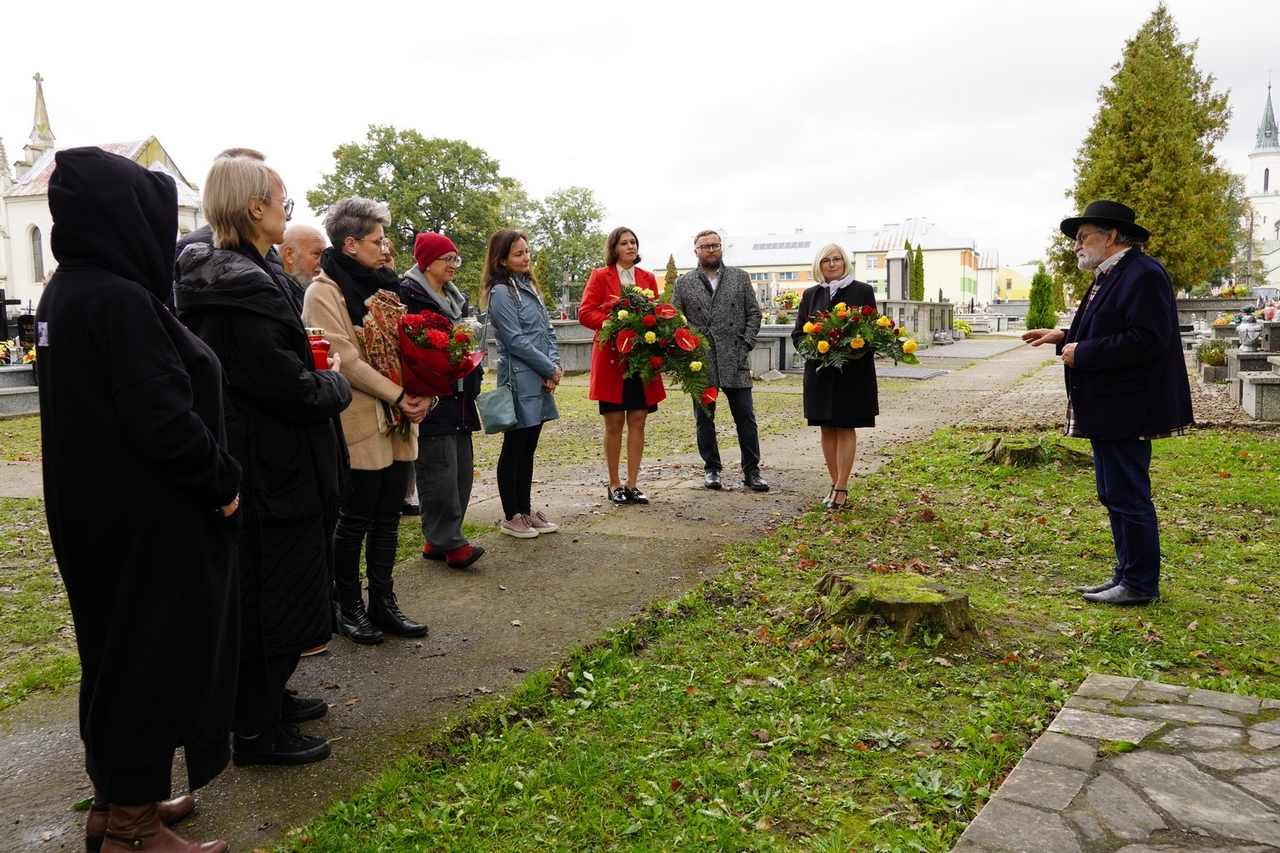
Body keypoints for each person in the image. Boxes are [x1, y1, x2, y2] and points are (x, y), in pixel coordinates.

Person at [38, 147, 239, 852]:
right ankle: (133, 826)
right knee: (149, 658)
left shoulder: (68, 289)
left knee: (114, 653)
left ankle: (118, 797)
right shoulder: (120, 300)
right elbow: (161, 417)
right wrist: (224, 482)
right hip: (145, 516)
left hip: (94, 509)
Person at [176, 156, 352, 767]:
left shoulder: (238, 274)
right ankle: (255, 731)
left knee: (273, 593)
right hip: (273, 465)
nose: (287, 210)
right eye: (283, 200)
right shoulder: (242, 288)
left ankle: (265, 704)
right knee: (278, 596)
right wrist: (334, 385)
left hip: (265, 458)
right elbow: (289, 386)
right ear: (255, 208)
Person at [1022, 200, 1192, 607]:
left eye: (1083, 237)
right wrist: (1063, 336)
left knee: (1128, 494)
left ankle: (1139, 583)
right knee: (1113, 492)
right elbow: (1108, 326)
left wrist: (1084, 353)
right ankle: (1126, 574)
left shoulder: (1143, 273)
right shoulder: (1113, 273)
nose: (1076, 245)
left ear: (1111, 236)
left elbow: (1147, 339)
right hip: (1110, 406)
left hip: (1128, 407)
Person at [302, 198, 433, 640]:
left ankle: (384, 602)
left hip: (398, 418)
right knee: (356, 518)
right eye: (377, 240)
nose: (385, 248)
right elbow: (346, 358)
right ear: (350, 243)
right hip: (360, 420)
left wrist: (423, 392)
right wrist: (401, 394)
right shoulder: (324, 291)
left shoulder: (386, 284)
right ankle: (349, 607)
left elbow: (411, 344)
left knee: (388, 517)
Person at [400, 232, 486, 568]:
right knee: (438, 470)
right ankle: (449, 541)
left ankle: (437, 540)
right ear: (426, 262)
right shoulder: (409, 294)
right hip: (430, 393)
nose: (453, 265)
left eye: (455, 259)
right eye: (446, 259)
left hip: (460, 394)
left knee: (462, 470)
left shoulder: (456, 299)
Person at [672, 230, 768, 492]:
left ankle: (752, 470)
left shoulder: (739, 278)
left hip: (734, 359)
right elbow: (675, 320)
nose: (710, 250)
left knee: (746, 417)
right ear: (696, 252)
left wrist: (745, 343)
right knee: (704, 419)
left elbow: (754, 315)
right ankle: (712, 469)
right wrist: (690, 348)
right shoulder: (684, 283)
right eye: (705, 246)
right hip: (701, 362)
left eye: (715, 245)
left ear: (721, 248)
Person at [483, 229, 562, 538]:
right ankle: (511, 515)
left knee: (529, 446)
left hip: (540, 377)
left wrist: (554, 366)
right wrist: (547, 367)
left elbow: (548, 331)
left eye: (527, 251)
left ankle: (526, 511)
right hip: (519, 378)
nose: (526, 257)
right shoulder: (502, 292)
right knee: (515, 445)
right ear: (502, 260)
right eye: (518, 253)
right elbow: (515, 340)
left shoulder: (528, 287)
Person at [580, 227, 666, 505]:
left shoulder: (648, 278)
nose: (630, 246)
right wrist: (610, 323)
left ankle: (633, 484)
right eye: (624, 243)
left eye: (633, 242)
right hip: (612, 360)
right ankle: (614, 484)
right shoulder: (599, 276)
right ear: (614, 248)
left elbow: (655, 312)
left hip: (640, 359)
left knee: (638, 419)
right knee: (614, 421)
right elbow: (585, 312)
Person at [792, 244, 878, 510]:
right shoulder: (810, 294)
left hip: (852, 373)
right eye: (826, 260)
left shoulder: (862, 291)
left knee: (845, 426)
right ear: (819, 265)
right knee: (826, 428)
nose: (832, 264)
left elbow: (873, 332)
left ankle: (842, 487)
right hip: (820, 373)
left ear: (845, 262)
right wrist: (814, 346)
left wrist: (857, 350)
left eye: (837, 259)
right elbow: (798, 335)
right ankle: (834, 484)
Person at [279, 224, 326, 290]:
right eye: (316, 253)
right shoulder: (274, 293)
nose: (323, 262)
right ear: (289, 254)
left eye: (324, 255)